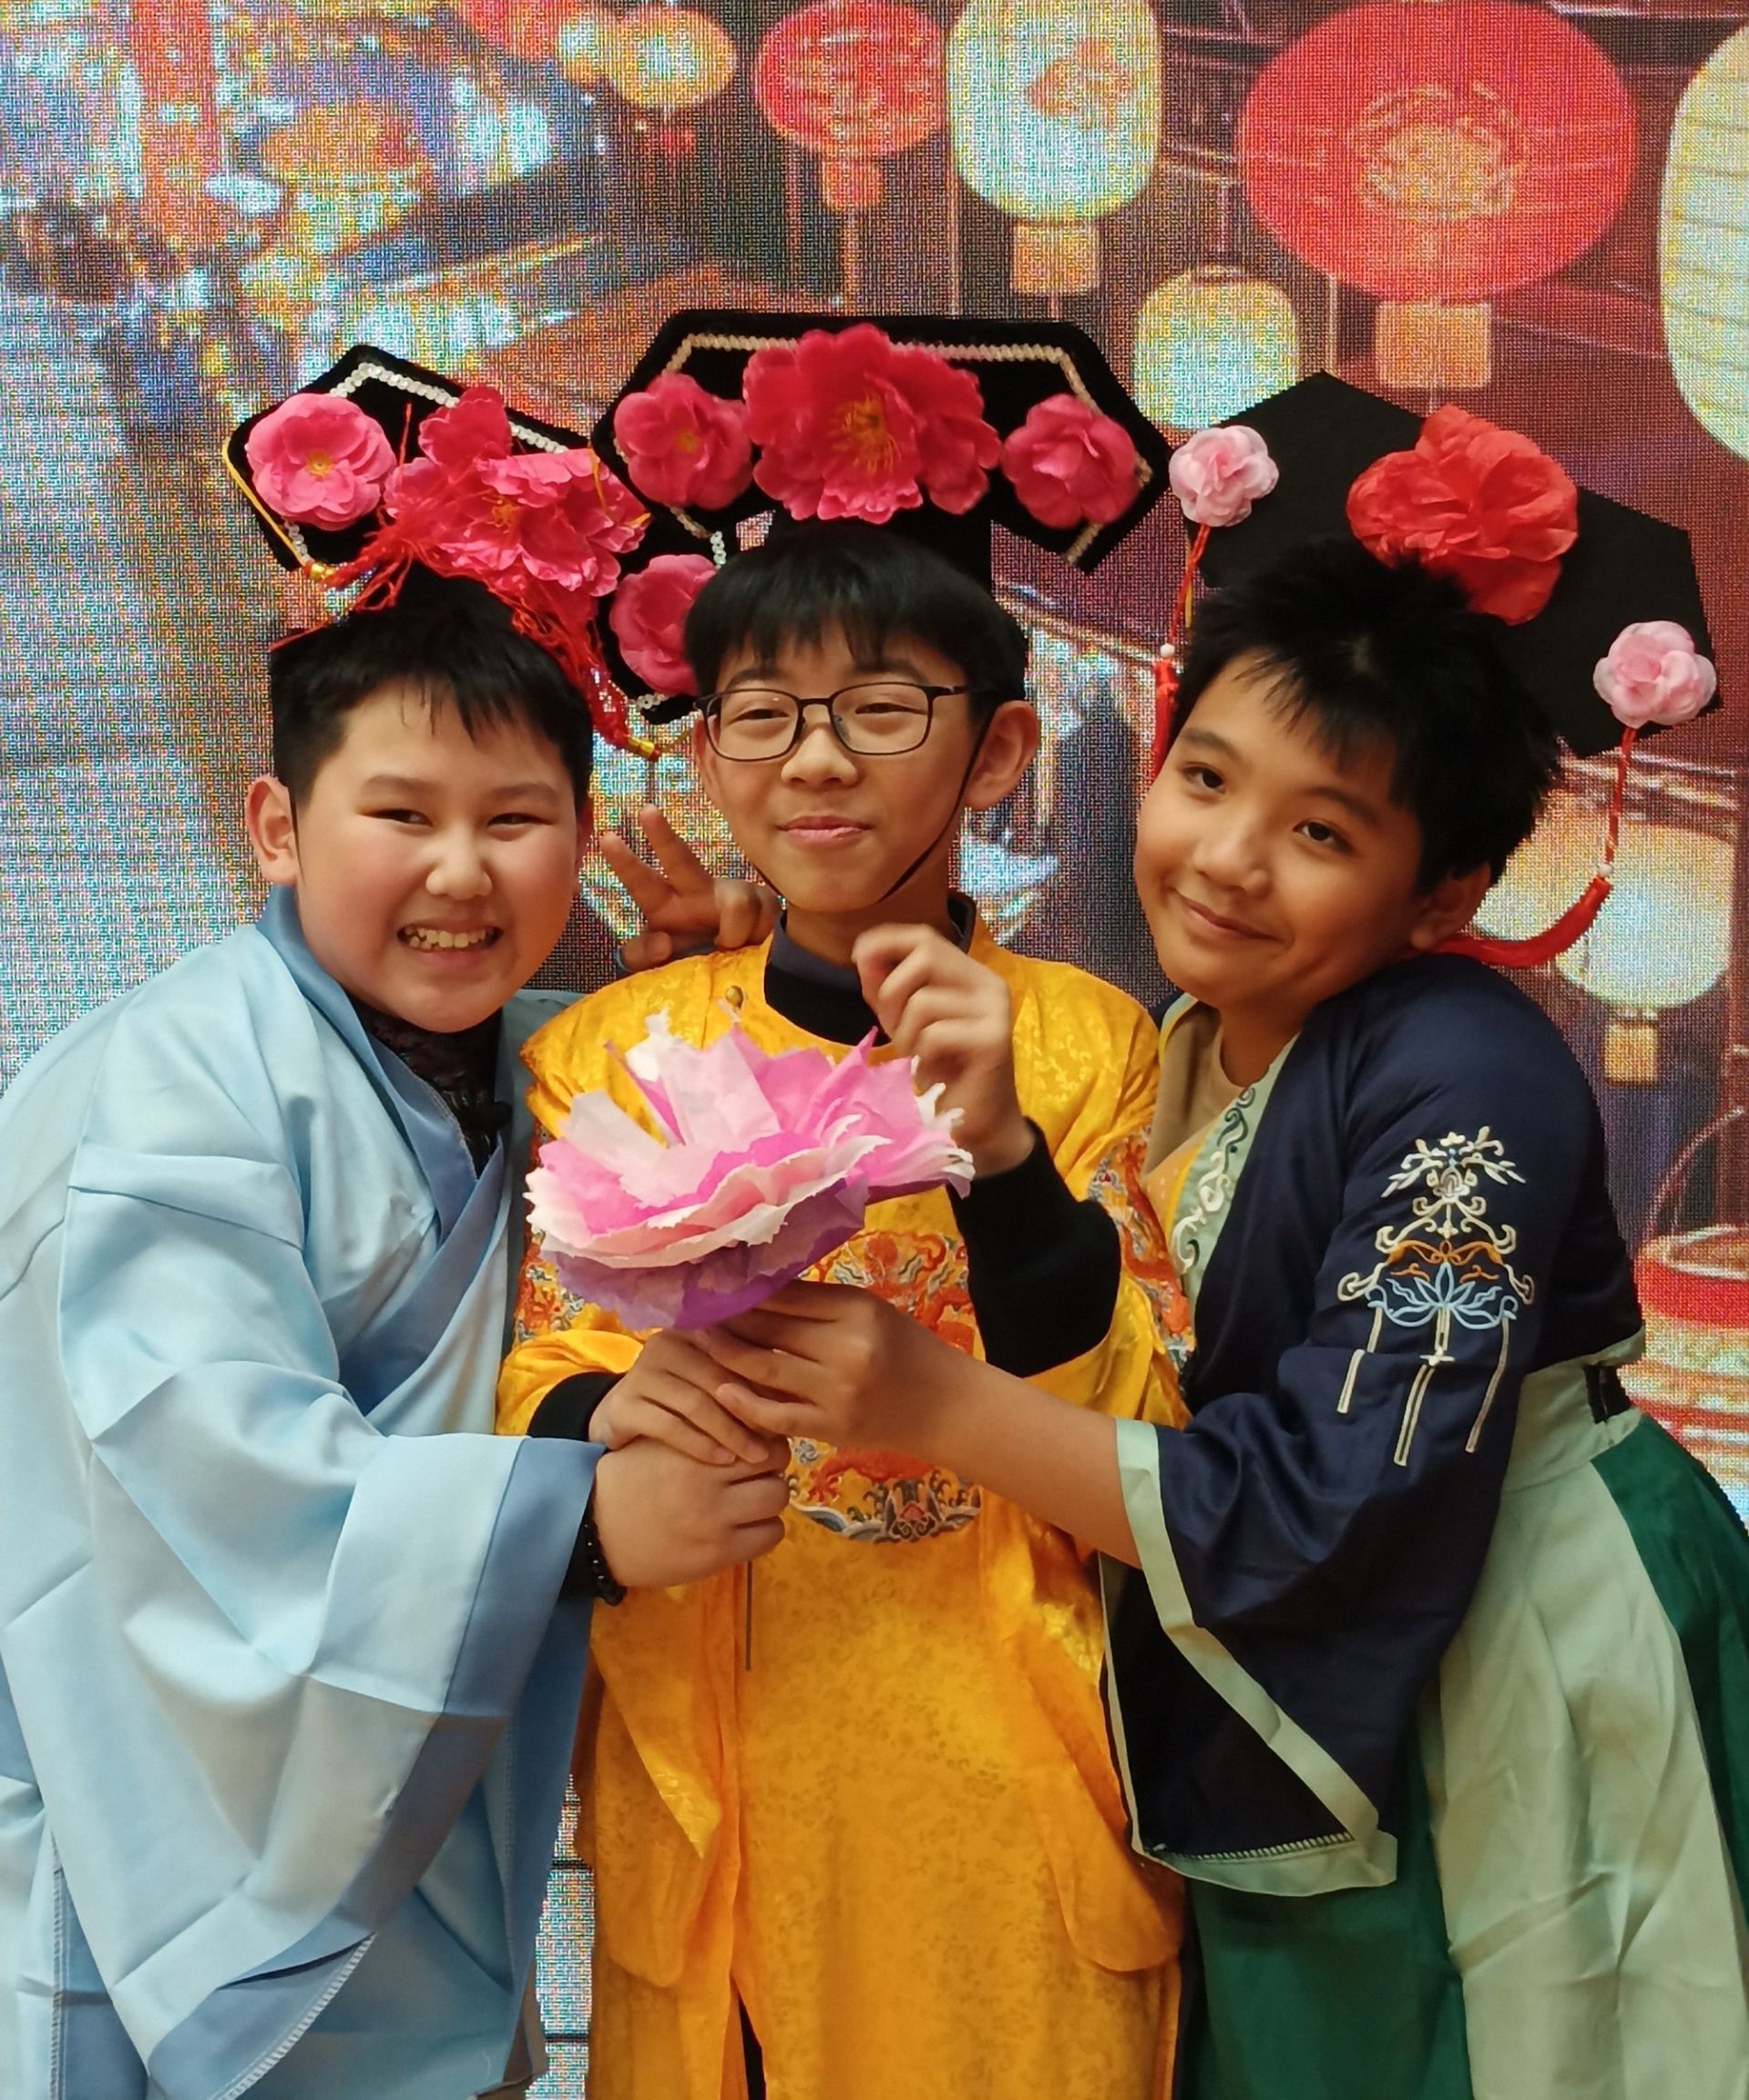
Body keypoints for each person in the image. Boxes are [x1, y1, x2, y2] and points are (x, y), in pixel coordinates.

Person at [706, 376, 1749, 2100]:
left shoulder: (1471, 1077)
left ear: (1443, 895)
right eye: (1206, 777)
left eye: (1323, 830)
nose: (1229, 859)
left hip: (1507, 1624)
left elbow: (1342, 1494)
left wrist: (936, 1406)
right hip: (1315, 1627)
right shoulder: (1199, 1031)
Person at [0, 346, 789, 2100]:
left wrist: (684, 1019)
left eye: (516, 819)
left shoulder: (545, 1060)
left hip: (405, 1817)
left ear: (582, 832)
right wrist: (579, 1526)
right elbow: (205, 1486)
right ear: (275, 825)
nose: (460, 870)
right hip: (164, 1843)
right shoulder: (166, 1088)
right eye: (402, 813)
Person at [497, 312, 1185, 2100]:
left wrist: (1006, 1155)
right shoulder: (615, 1049)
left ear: (1000, 750)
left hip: (1001, 1793)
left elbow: (1146, 1426)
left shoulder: (1092, 1044)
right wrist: (615, 1423)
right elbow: (539, 1371)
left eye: (882, 709)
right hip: (716, 1765)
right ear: (706, 758)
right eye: (764, 716)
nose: (816, 763)